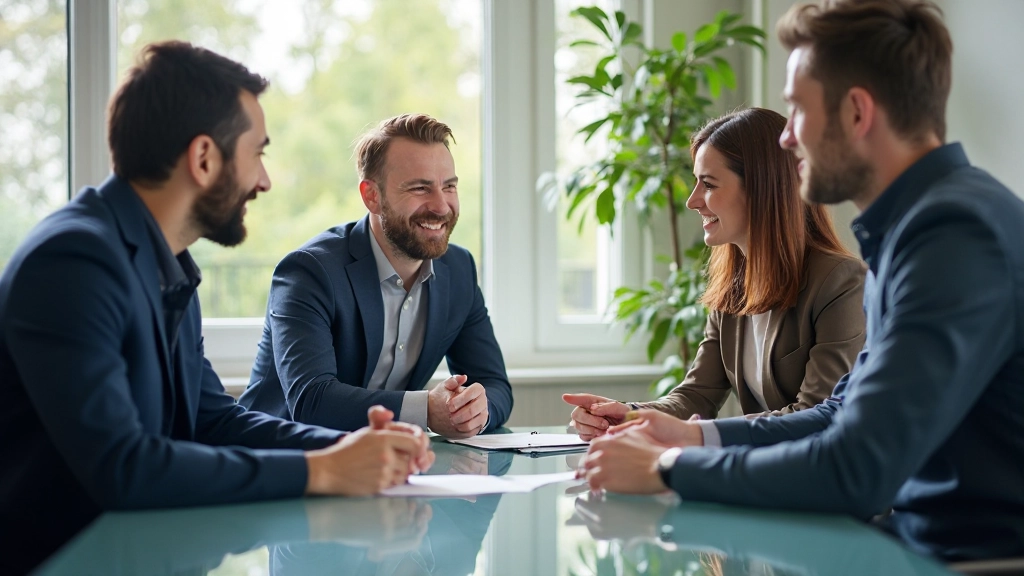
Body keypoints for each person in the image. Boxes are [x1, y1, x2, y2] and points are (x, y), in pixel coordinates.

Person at [579, 0, 1024, 562]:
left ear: (857, 113)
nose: (787, 139)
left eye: (796, 111)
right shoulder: (925, 225)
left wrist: (670, 467)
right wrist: (689, 435)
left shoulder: (953, 234)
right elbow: (839, 414)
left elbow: (856, 468)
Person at [0, 42, 433, 575]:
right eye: (258, 153)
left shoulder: (164, 260)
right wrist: (320, 471)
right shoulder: (73, 261)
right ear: (204, 158)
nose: (264, 180)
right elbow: (124, 467)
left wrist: (356, 448)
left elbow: (210, 418)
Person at [565, 107, 866, 441]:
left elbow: (815, 416)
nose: (693, 201)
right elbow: (696, 395)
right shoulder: (732, 287)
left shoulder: (842, 283)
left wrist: (698, 434)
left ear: (762, 189)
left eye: (707, 184)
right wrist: (625, 416)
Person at [239, 114, 513, 439]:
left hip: (385, 467)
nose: (441, 206)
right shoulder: (309, 271)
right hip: (279, 462)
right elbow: (311, 400)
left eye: (449, 186)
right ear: (372, 196)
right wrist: (426, 409)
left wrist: (475, 411)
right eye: (420, 188)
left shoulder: (459, 270)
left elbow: (494, 384)